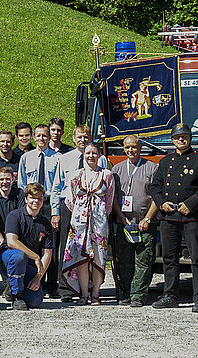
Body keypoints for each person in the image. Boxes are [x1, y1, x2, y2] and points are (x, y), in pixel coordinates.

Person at [149, 123, 198, 313]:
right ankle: (170, 295)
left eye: (184, 136)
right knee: (169, 258)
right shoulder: (165, 162)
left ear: (190, 138)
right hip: (169, 216)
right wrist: (161, 203)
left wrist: (190, 204)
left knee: (197, 258)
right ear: (172, 140)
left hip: (192, 216)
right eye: (177, 137)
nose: (181, 140)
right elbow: (155, 187)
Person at [47, 124, 108, 302]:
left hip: (95, 210)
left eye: (86, 137)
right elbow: (56, 187)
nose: (83, 140)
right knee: (69, 247)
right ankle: (65, 288)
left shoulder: (101, 159)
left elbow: (107, 185)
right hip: (69, 208)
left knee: (93, 249)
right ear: (73, 139)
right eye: (79, 137)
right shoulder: (64, 159)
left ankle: (88, 288)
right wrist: (55, 212)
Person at [61, 143, 114, 306]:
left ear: (99, 155)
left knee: (99, 257)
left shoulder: (107, 174)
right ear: (83, 155)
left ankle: (95, 294)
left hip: (99, 223)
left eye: (94, 153)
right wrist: (80, 213)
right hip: (79, 224)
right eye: (88, 153)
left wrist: (100, 214)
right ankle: (83, 294)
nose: (91, 156)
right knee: (81, 258)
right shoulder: (76, 175)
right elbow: (70, 200)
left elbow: (110, 199)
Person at [110, 135, 159, 308]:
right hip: (124, 224)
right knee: (124, 260)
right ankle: (125, 293)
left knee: (143, 260)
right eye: (127, 147)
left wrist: (147, 218)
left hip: (145, 224)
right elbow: (114, 197)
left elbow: (157, 197)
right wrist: (122, 218)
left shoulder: (152, 168)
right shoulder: (117, 169)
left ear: (140, 148)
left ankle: (138, 295)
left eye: (134, 147)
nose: (130, 150)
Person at [2, 183, 53, 310]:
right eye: (32, 198)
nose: (36, 201)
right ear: (26, 199)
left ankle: (15, 287)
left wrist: (38, 278)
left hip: (29, 266)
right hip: (9, 259)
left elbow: (47, 253)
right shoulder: (14, 215)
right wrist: (35, 257)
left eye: (40, 198)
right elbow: (11, 242)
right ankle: (16, 295)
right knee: (19, 256)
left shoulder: (46, 223)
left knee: (35, 301)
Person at [17, 125, 49, 190]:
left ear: (49, 137)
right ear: (34, 137)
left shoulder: (57, 158)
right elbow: (21, 183)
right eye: (38, 136)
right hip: (31, 195)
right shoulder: (25, 158)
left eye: (44, 136)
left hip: (50, 195)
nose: (41, 138)